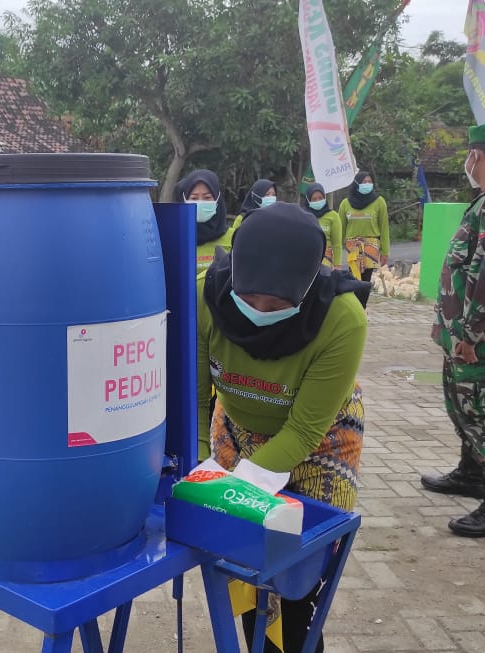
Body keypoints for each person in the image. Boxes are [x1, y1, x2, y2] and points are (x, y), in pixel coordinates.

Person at [198, 204, 368, 653]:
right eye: (248, 297)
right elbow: (195, 398)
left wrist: (235, 492)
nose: (258, 310)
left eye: (276, 305)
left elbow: (303, 430)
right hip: (236, 430)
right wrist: (200, 476)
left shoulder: (342, 320)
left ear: (308, 286)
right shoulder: (205, 297)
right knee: (243, 561)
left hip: (320, 441)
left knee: (297, 575)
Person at [420, 122, 485, 538]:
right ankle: (471, 472)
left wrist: (472, 333)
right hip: (462, 332)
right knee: (462, 404)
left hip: (475, 335)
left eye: (468, 153)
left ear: (477, 155)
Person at [338, 171, 389, 307]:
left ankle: (362, 307)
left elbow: (384, 228)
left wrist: (385, 252)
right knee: (353, 278)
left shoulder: (379, 202)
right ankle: (354, 307)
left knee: (366, 279)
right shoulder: (345, 204)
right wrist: (337, 247)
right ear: (357, 184)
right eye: (364, 182)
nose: (367, 184)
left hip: (371, 247)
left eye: (369, 182)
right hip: (353, 247)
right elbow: (340, 228)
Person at [177, 169, 233, 272]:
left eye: (207, 197)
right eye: (194, 198)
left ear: (217, 200)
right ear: (184, 200)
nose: (200, 202)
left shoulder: (234, 238)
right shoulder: (175, 239)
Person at [303, 182, 342, 268]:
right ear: (308, 200)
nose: (318, 201)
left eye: (320, 198)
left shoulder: (333, 216)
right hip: (307, 260)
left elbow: (337, 243)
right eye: (314, 199)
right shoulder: (303, 215)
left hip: (326, 262)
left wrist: (337, 265)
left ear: (325, 198)